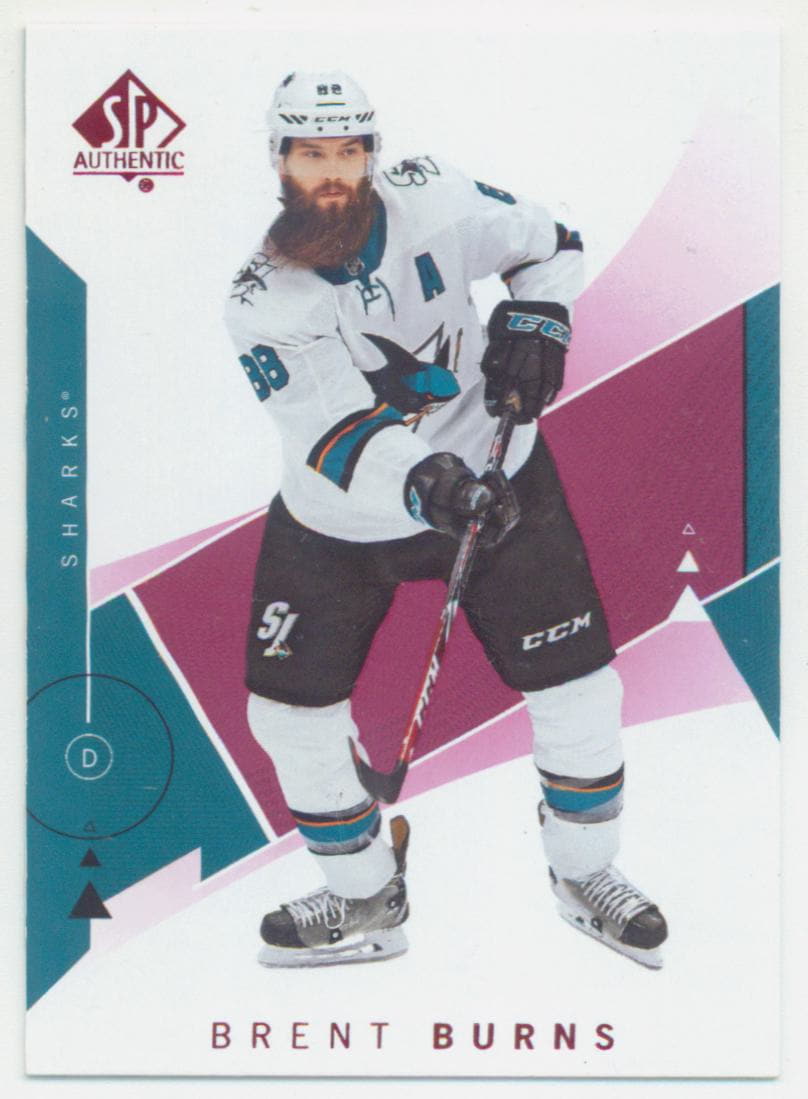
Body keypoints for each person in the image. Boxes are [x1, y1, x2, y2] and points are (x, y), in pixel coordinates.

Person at [224, 70, 668, 970]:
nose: (332, 173)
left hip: (500, 474)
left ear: (373, 153)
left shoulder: (437, 198)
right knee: (289, 718)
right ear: (277, 160)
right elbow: (336, 431)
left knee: (581, 692)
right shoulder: (262, 301)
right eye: (310, 154)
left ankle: (585, 873)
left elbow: (552, 240)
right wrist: (433, 483)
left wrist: (540, 315)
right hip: (339, 520)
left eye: (349, 151)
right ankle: (362, 894)